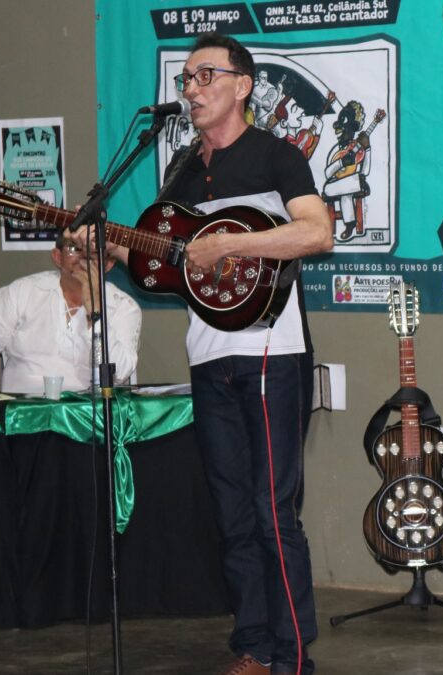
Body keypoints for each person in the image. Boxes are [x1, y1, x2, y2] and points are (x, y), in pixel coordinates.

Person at [85, 32, 332, 675]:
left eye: (204, 76)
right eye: (185, 80)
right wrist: (107, 246)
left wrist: (228, 248)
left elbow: (318, 231)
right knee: (230, 510)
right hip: (208, 355)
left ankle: (293, 655)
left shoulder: (277, 156)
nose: (190, 89)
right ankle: (253, 643)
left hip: (274, 354)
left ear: (242, 85)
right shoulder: (182, 171)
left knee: (272, 509)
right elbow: (166, 266)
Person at [0, 233, 141, 395]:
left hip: (87, 418)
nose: (84, 257)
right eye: (75, 248)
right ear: (57, 256)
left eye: (93, 250)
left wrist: (96, 312)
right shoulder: (22, 292)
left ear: (108, 264)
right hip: (22, 416)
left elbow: (120, 373)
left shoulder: (123, 306)